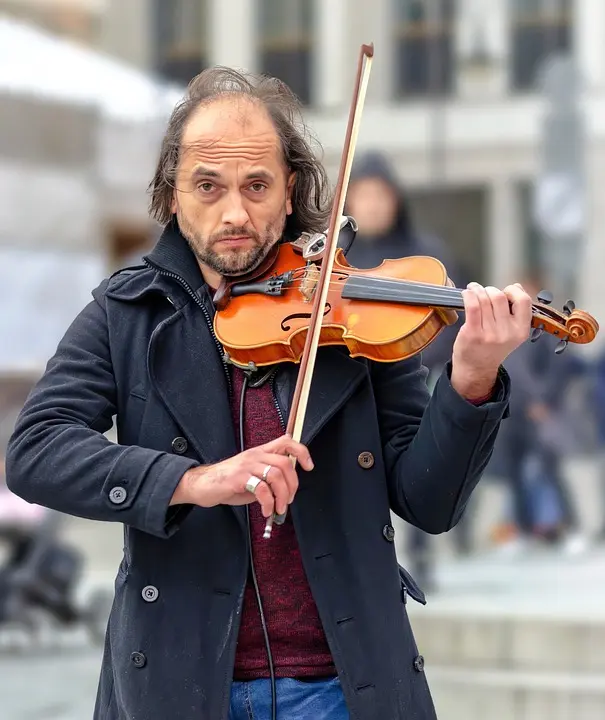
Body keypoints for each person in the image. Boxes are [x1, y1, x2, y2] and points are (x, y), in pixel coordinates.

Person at [5, 67, 532, 720]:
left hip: (342, 687)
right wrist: (191, 480)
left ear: (289, 194)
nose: (235, 212)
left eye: (256, 186)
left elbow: (428, 500)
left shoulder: (351, 310)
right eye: (208, 186)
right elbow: (34, 449)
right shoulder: (128, 310)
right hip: (181, 686)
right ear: (173, 195)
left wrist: (471, 379)